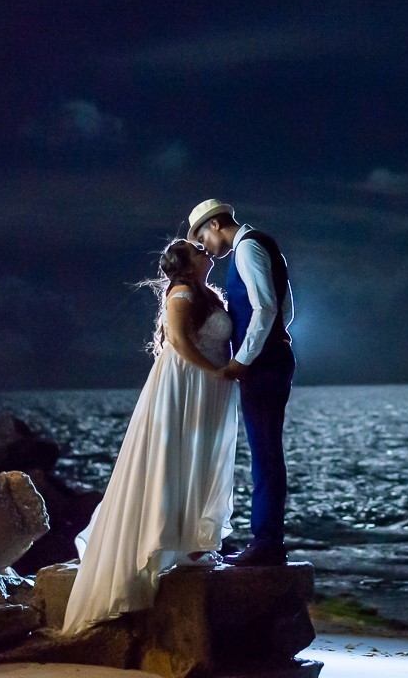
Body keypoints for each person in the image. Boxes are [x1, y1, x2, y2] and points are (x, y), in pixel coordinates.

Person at [61, 240, 239, 634]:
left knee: (203, 457)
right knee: (176, 456)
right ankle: (166, 540)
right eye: (197, 249)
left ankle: (192, 539)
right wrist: (214, 372)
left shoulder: (207, 293)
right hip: (187, 385)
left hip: (207, 389)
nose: (205, 251)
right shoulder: (182, 292)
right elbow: (177, 341)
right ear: (186, 263)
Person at [187, 198, 295, 567]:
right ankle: (266, 539)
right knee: (266, 451)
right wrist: (276, 338)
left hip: (262, 364)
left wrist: (241, 359)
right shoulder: (263, 244)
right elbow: (285, 308)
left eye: (203, 235)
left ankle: (267, 542)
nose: (205, 245)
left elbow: (265, 308)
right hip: (273, 358)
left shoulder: (247, 249)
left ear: (215, 224)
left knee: (264, 453)